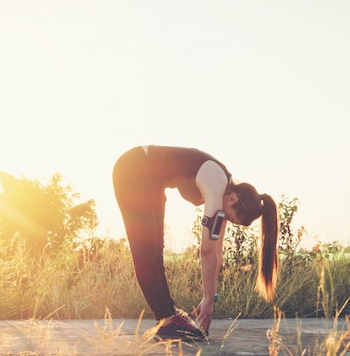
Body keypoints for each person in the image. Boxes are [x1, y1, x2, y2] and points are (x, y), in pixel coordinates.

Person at [113, 145, 278, 340]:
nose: (227, 220)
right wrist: (207, 299)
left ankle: (168, 316)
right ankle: (167, 319)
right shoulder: (218, 188)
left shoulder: (226, 196)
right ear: (232, 199)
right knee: (146, 250)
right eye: (231, 218)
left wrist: (211, 299)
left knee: (155, 252)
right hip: (133, 169)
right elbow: (206, 251)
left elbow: (216, 252)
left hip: (152, 181)